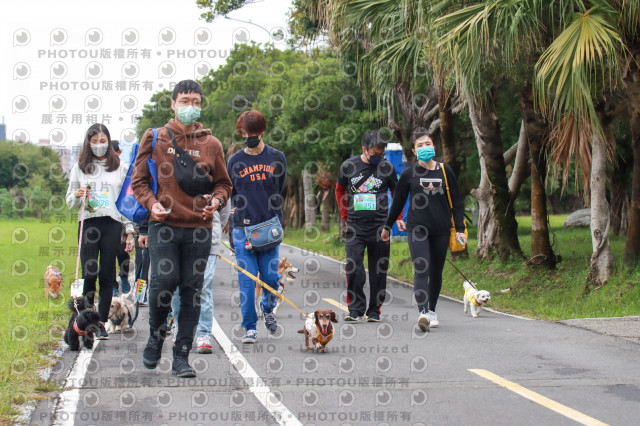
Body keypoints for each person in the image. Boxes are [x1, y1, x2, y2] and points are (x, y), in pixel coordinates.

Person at [132, 79, 232, 377]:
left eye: (197, 101)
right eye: (185, 100)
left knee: (192, 290)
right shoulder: (155, 138)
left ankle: (181, 356)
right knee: (164, 281)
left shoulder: (212, 144)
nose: (191, 106)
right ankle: (155, 335)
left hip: (199, 228)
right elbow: (138, 182)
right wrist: (151, 204)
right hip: (163, 225)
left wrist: (217, 199)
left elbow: (224, 183)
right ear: (173, 104)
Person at [381, 131, 466, 331]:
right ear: (414, 150)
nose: (425, 147)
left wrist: (460, 229)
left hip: (442, 229)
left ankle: (432, 310)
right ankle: (423, 313)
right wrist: (388, 225)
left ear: (434, 147)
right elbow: (398, 202)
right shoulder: (410, 174)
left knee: (436, 271)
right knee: (422, 269)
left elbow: (456, 201)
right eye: (420, 145)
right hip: (417, 228)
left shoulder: (445, 171)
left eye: (428, 143)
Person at [65, 124, 135, 340]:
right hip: (88, 224)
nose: (99, 145)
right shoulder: (80, 167)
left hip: (112, 224)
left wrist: (130, 230)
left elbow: (125, 201)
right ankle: (87, 320)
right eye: (94, 142)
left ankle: (102, 322)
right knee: (89, 274)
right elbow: (69, 202)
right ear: (88, 143)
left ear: (109, 140)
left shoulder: (120, 167)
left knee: (106, 275)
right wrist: (77, 195)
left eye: (102, 140)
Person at [227, 110, 286, 344]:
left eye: (252, 132)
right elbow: (231, 193)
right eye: (244, 133)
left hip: (269, 227)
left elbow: (279, 190)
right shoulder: (235, 161)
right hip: (243, 230)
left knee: (271, 278)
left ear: (262, 131)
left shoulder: (277, 157)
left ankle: (268, 307)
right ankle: (249, 327)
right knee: (248, 280)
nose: (248, 136)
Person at [335, 131, 401, 322]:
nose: (378, 158)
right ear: (364, 149)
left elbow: (397, 192)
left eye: (381, 154)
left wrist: (396, 218)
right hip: (355, 226)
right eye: (374, 154)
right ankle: (355, 310)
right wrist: (345, 214)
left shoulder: (387, 168)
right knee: (354, 267)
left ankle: (374, 311)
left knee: (378, 271)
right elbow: (339, 190)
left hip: (380, 227)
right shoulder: (349, 166)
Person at [171, 203, 231, 352]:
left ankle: (204, 334)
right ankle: (179, 328)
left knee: (203, 287)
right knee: (178, 288)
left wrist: (216, 226)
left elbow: (224, 207)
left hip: (208, 240)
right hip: (179, 238)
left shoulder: (216, 180)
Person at [111, 140, 132, 296]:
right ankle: (112, 284)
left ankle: (124, 277)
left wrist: (129, 227)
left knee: (122, 252)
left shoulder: (124, 169)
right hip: (107, 218)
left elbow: (129, 196)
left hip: (122, 216)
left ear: (119, 153)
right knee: (108, 254)